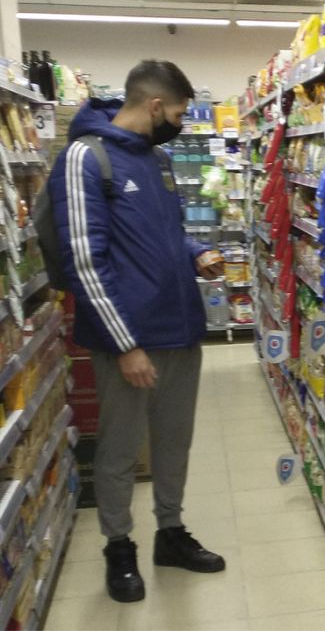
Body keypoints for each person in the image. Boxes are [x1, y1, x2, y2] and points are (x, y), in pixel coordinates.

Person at [47, 60, 226, 603]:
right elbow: (85, 261)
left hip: (181, 330)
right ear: (154, 106)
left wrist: (197, 253)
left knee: (174, 443)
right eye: (175, 113)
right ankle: (118, 545)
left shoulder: (159, 158)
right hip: (129, 341)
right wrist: (125, 344)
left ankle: (169, 533)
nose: (177, 123)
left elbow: (166, 233)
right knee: (122, 449)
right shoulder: (85, 158)